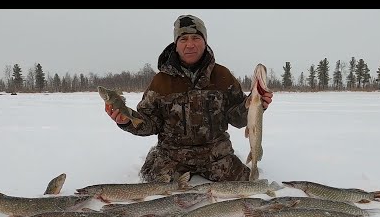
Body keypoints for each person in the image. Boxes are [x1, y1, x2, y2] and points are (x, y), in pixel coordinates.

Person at [105, 14, 273, 183]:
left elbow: (237, 118)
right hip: (172, 156)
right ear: (176, 45)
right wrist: (125, 121)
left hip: (216, 155)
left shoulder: (222, 76)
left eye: (196, 38)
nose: (190, 44)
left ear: (205, 41)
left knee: (245, 184)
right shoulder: (161, 81)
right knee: (155, 187)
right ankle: (156, 156)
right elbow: (150, 122)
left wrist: (254, 106)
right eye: (183, 39)